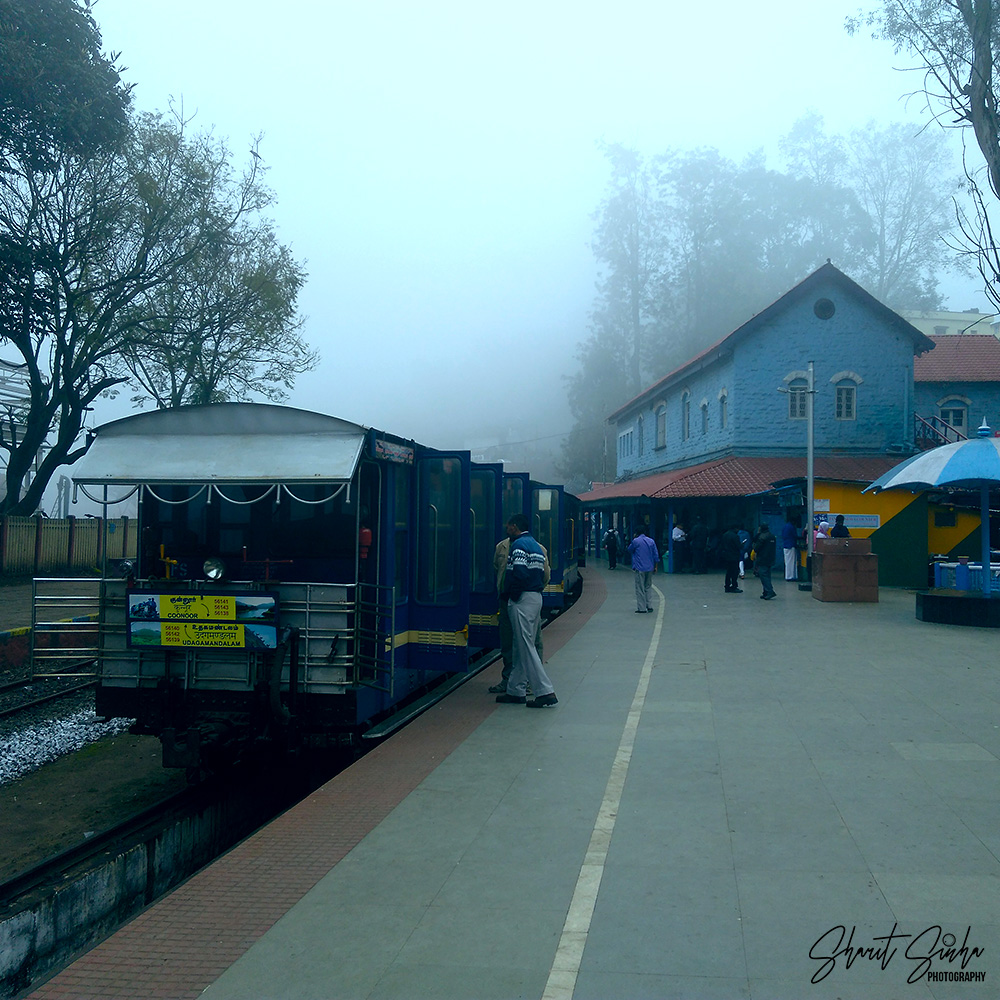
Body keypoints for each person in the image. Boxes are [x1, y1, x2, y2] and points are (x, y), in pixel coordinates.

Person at [496, 514, 558, 708]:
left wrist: (513, 596)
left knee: (525, 646)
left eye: (509, 526)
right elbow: (543, 574)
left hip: (522, 598)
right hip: (535, 597)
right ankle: (515, 690)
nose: (507, 530)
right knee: (522, 644)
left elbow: (519, 572)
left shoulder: (518, 545)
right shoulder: (536, 545)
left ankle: (545, 691)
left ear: (514, 527)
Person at [488, 530, 548, 695]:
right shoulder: (501, 547)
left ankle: (536, 686)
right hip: (508, 600)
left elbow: (544, 575)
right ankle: (513, 685)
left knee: (529, 643)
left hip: (521, 599)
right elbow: (497, 569)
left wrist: (518, 593)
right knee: (509, 642)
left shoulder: (535, 547)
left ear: (515, 527)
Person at [627, 525, 659, 613]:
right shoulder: (651, 541)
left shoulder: (636, 541)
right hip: (650, 567)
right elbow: (656, 555)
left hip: (640, 567)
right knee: (648, 586)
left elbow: (629, 549)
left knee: (640, 587)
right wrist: (655, 567)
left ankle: (641, 608)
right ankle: (649, 606)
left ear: (636, 533)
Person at [753, 523, 777, 600]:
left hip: (762, 559)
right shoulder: (772, 536)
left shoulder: (761, 537)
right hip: (770, 559)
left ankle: (770, 591)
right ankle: (765, 592)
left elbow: (756, 548)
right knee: (767, 575)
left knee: (763, 576)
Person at [720, 525, 743, 593]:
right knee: (734, 572)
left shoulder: (725, 535)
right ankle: (734, 586)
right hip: (734, 556)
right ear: (735, 528)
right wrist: (742, 545)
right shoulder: (735, 536)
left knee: (728, 572)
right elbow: (738, 546)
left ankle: (727, 586)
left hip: (726, 556)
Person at [782, 515, 798, 581]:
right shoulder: (791, 527)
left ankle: (790, 576)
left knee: (788, 562)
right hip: (791, 545)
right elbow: (795, 535)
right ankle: (790, 576)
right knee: (791, 562)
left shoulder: (785, 526)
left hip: (786, 545)